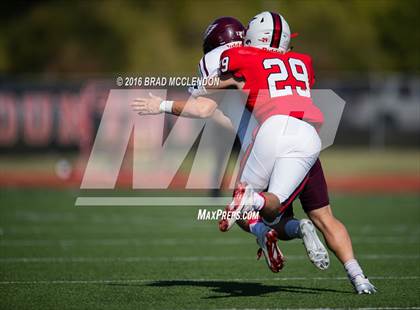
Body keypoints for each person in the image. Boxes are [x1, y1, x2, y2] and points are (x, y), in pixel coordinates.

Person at [132, 12, 376, 294]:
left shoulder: (236, 57)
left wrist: (166, 102)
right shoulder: (300, 62)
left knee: (251, 213)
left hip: (267, 138)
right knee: (318, 214)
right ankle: (360, 278)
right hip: (307, 137)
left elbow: (205, 106)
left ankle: (271, 227)